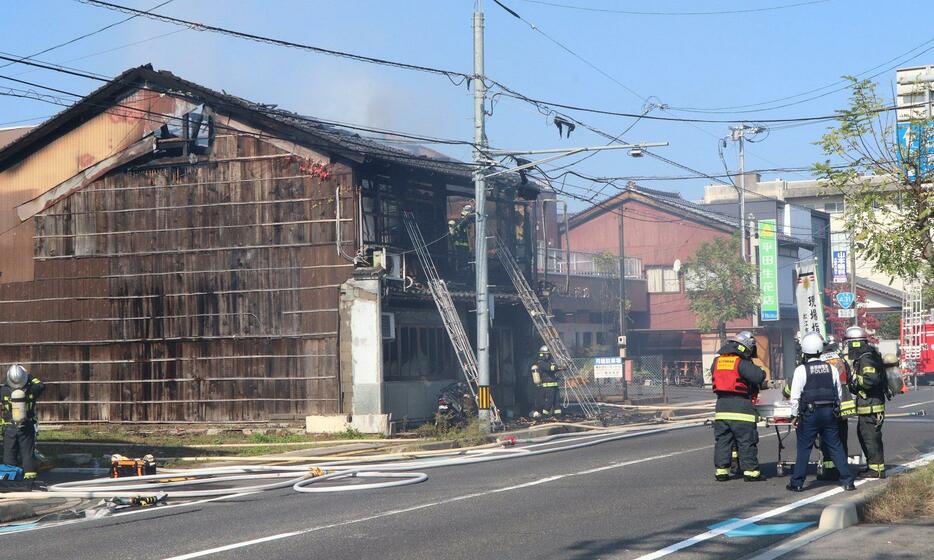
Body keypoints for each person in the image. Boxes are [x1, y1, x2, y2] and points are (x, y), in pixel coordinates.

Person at [785, 332, 856, 492]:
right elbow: (838, 392)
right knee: (835, 446)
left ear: (804, 350)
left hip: (810, 414)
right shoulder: (831, 368)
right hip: (829, 412)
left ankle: (797, 483)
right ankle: (847, 481)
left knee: (804, 448)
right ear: (819, 350)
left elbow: (795, 397)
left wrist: (794, 416)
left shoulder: (801, 370)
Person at [711, 331, 767, 482]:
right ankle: (750, 473)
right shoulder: (741, 363)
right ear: (746, 348)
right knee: (746, 441)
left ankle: (721, 471)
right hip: (741, 407)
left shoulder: (717, 362)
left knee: (723, 441)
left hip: (721, 407)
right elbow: (758, 376)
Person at [844, 325, 888, 478]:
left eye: (849, 343)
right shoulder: (867, 355)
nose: (847, 347)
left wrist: (855, 381)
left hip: (871, 407)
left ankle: (876, 470)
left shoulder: (866, 358)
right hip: (869, 406)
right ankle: (873, 466)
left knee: (870, 438)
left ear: (855, 343)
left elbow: (871, 380)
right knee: (865, 436)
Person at [816, 334, 856, 480]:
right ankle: (842, 467)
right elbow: (850, 379)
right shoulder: (840, 359)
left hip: (828, 402)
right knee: (841, 437)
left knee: (827, 438)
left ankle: (830, 470)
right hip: (844, 403)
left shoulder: (820, 360)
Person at [2, 364, 45, 480]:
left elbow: (4, 384)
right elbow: (40, 385)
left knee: (9, 453)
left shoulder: (3, 391)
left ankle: (10, 479)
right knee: (27, 454)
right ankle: (29, 479)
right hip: (26, 426)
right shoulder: (32, 390)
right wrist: (28, 375)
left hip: (9, 427)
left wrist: (7, 380)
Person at [530, 345, 562, 417]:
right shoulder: (541, 363)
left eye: (548, 354)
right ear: (542, 354)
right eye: (546, 354)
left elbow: (554, 367)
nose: (548, 355)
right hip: (548, 387)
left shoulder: (550, 362)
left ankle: (558, 415)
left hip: (555, 386)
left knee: (557, 402)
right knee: (549, 402)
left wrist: (561, 367)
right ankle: (544, 415)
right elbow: (549, 368)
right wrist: (558, 367)